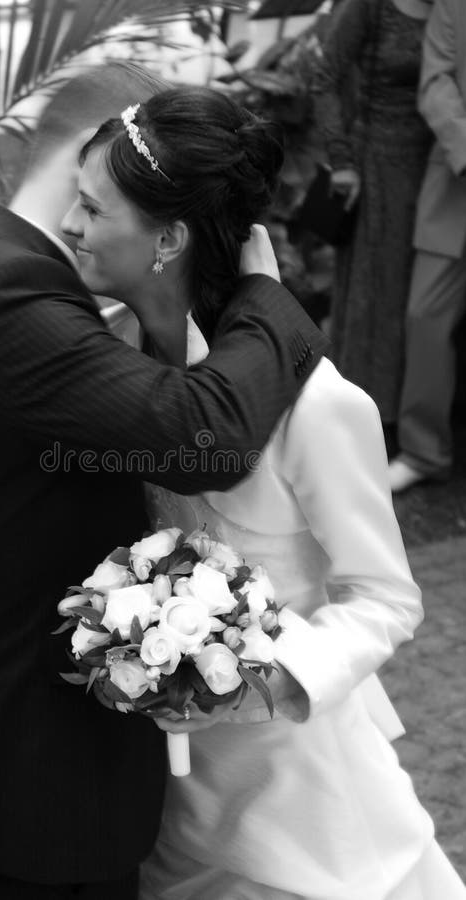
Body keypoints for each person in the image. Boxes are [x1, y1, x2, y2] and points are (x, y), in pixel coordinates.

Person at [0, 63, 327, 900]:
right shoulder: (13, 294)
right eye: (92, 200)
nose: (80, 221)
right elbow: (202, 436)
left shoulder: (28, 283)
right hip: (24, 784)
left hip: (53, 766)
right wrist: (267, 297)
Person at [60, 86, 466, 899]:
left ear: (167, 238)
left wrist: (265, 677)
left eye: (91, 208)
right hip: (165, 792)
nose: (68, 225)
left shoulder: (319, 405)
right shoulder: (102, 360)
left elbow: (385, 597)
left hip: (298, 786)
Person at [314, 0, 433, 444]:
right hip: (376, 166)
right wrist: (341, 159)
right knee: (375, 293)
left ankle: (412, 413)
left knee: (420, 302)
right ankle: (364, 415)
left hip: (438, 169)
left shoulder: (450, 10)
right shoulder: (373, 6)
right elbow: (324, 76)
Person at [389, 0, 466, 492]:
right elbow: (436, 85)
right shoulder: (453, 7)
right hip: (456, 184)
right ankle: (423, 451)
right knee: (425, 317)